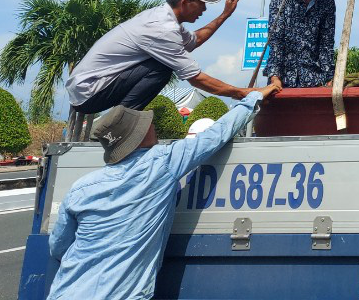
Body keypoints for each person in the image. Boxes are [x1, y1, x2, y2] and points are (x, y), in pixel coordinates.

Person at [46, 83, 279, 299]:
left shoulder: (81, 188)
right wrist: (252, 98)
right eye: (146, 125)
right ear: (137, 139)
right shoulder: (161, 164)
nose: (152, 124)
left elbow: (58, 246)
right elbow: (215, 135)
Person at [66, 0, 255, 117]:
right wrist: (243, 93)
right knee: (164, 66)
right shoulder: (162, 28)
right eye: (201, 3)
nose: (205, 9)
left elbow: (195, 40)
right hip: (89, 93)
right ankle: (120, 124)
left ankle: (123, 119)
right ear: (185, 2)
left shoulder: (166, 20)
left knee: (165, 63)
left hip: (91, 88)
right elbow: (196, 78)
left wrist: (225, 15)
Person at [263, 0, 337, 89]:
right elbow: (276, 40)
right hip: (283, 78)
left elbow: (326, 45)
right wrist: (274, 76)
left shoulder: (327, 2)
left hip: (314, 79)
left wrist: (329, 77)